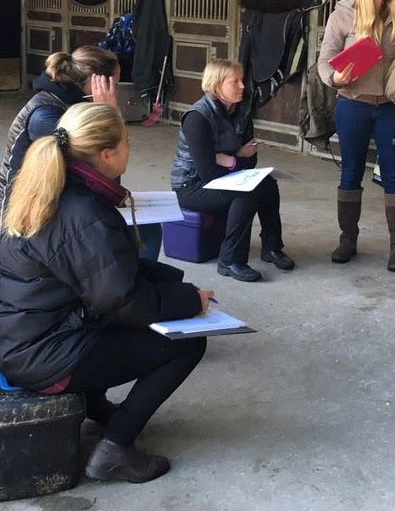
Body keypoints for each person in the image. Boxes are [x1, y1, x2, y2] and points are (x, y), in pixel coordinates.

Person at [0, 103, 210, 483]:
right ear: (106, 154)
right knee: (188, 343)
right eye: (128, 141)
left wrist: (176, 285)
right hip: (45, 355)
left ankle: (95, 404)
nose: (132, 148)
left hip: (25, 334)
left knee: (145, 304)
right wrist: (190, 302)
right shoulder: (83, 213)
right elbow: (123, 302)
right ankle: (115, 447)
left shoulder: (53, 186)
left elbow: (103, 273)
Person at [0, 46, 163, 260]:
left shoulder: (72, 107)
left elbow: (106, 177)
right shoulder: (47, 117)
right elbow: (104, 170)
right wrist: (109, 114)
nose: (116, 92)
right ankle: (129, 289)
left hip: (65, 201)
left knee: (146, 228)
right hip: (30, 214)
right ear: (95, 84)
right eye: (113, 84)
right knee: (129, 234)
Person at [317, 0, 395, 272]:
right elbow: (324, 60)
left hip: (389, 106)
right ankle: (348, 240)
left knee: (394, 174)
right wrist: (335, 78)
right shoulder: (344, 14)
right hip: (353, 102)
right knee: (351, 172)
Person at [171, 59, 294, 282]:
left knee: (267, 184)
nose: (242, 86)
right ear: (217, 85)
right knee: (246, 193)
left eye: (241, 80)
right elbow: (207, 172)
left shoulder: (241, 111)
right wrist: (236, 159)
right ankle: (230, 260)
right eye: (234, 81)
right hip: (192, 186)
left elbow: (252, 158)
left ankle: (271, 247)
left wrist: (230, 160)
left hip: (222, 176)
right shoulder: (197, 117)